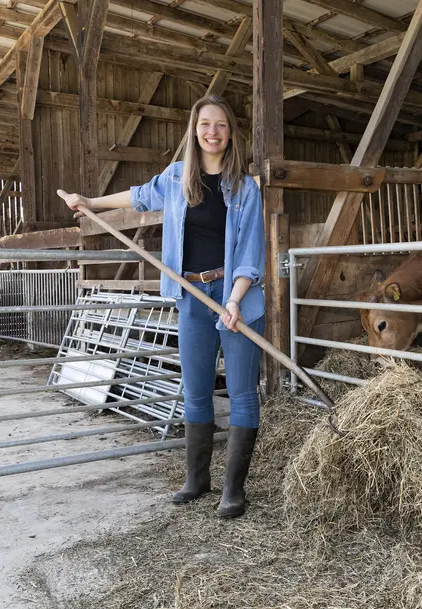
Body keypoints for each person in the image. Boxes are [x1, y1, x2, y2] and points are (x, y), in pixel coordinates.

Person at [58, 95, 265, 519]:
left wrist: (234, 298)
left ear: (231, 133)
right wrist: (91, 203)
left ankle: (233, 490)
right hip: (190, 295)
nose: (213, 132)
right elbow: (137, 197)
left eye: (221, 125)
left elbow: (250, 252)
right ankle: (197, 479)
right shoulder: (176, 179)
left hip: (237, 298)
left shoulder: (245, 188)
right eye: (205, 124)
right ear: (194, 130)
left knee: (243, 393)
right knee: (196, 391)